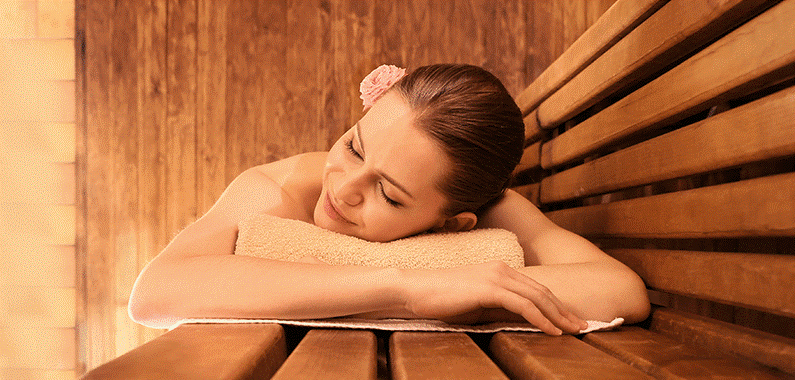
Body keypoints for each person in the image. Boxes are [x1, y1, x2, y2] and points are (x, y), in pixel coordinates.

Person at [128, 64, 650, 334]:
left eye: (388, 193)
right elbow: (155, 292)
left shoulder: (485, 209)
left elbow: (618, 290)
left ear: (455, 224)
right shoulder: (273, 191)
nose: (344, 188)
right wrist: (409, 285)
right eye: (353, 147)